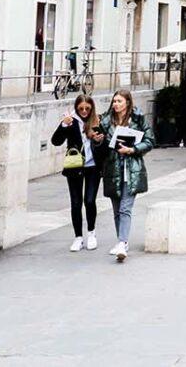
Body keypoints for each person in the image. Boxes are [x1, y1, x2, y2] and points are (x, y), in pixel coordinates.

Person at [99, 88, 155, 262]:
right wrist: (98, 140)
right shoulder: (106, 121)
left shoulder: (138, 119)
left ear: (128, 103)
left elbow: (150, 140)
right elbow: (100, 146)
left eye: (119, 101)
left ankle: (122, 243)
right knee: (116, 210)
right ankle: (121, 241)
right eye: (114, 101)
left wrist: (132, 149)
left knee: (125, 208)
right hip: (112, 169)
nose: (116, 104)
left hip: (132, 169)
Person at [52, 94, 105, 253]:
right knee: (76, 202)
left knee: (90, 200)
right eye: (80, 108)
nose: (84, 111)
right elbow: (56, 141)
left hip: (93, 167)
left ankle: (91, 233)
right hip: (75, 166)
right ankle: (78, 237)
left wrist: (98, 140)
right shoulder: (71, 121)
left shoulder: (97, 121)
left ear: (91, 108)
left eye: (87, 109)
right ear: (76, 108)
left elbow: (104, 146)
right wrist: (63, 125)